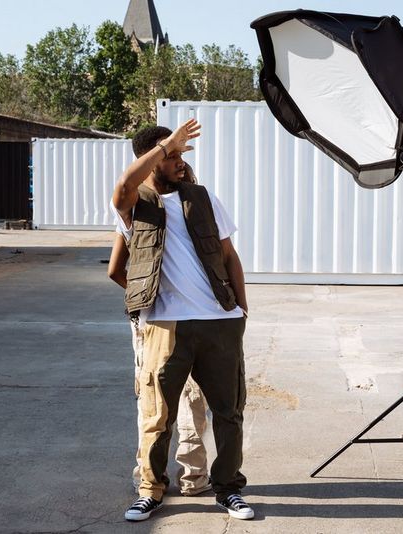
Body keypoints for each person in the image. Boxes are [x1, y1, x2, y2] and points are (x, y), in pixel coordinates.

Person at [112, 119, 253, 522]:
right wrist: (162, 147)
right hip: (165, 326)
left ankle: (228, 490)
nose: (179, 161)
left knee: (228, 412)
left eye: (179, 154)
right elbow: (122, 189)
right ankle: (150, 490)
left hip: (218, 322)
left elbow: (229, 257)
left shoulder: (203, 198)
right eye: (171, 155)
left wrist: (240, 311)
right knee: (158, 415)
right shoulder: (134, 204)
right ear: (149, 160)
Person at [106, 161, 212, 499]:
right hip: (187, 318)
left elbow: (115, 270)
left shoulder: (142, 214)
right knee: (191, 399)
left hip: (154, 321)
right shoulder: (185, 215)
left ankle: (149, 477)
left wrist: (146, 298)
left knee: (152, 404)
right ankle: (194, 477)